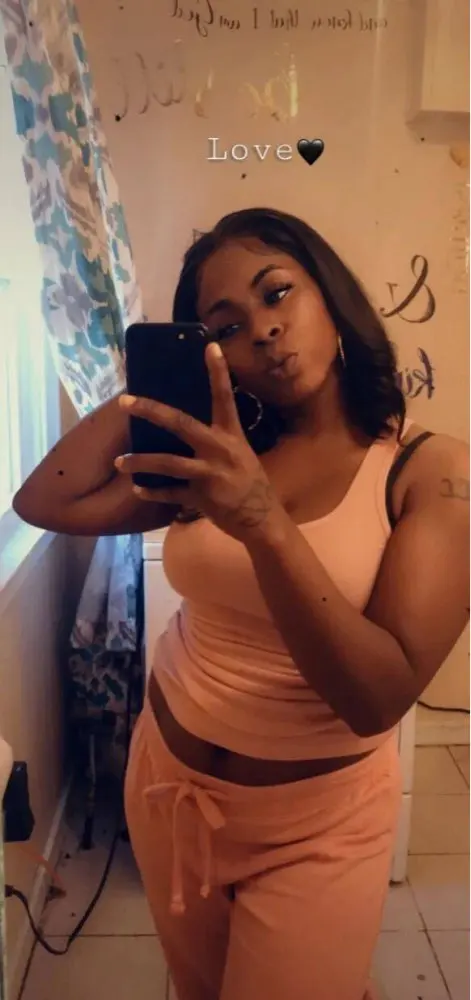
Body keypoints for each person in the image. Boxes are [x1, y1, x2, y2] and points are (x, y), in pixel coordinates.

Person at [14, 208, 469, 1000]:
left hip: (317, 823)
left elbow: (377, 699)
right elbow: (46, 501)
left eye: (277, 292)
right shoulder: (217, 461)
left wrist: (260, 521)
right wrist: (152, 387)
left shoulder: (427, 472)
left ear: (329, 296)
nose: (262, 330)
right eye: (225, 326)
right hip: (168, 787)